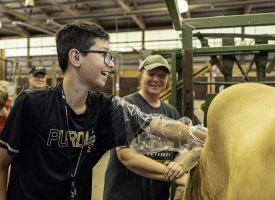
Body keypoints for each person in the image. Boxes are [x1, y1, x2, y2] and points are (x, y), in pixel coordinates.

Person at [0, 21, 206, 200]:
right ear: (76, 57)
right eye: (105, 55)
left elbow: (160, 126)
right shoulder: (31, 103)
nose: (111, 63)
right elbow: (1, 164)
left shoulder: (106, 108)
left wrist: (211, 135)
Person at [104, 55, 188, 200]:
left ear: (167, 80)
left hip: (157, 194)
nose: (156, 79)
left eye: (162, 75)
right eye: (151, 74)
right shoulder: (125, 106)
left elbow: (183, 148)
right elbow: (126, 156)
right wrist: (172, 174)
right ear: (141, 76)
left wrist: (178, 165)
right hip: (124, 194)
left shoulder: (171, 112)